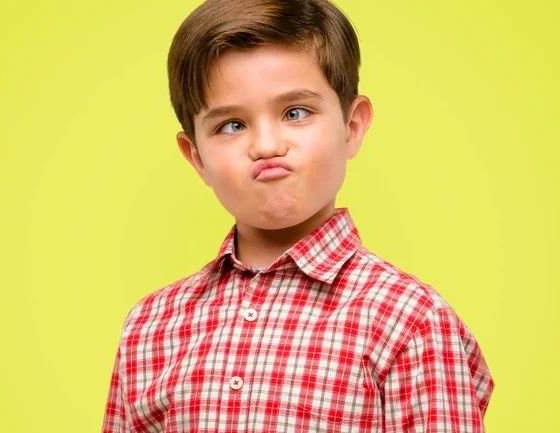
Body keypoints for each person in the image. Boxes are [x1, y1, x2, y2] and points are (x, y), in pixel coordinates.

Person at [102, 0, 494, 431]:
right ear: (196, 157)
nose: (266, 145)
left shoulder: (409, 320)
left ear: (352, 126)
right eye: (231, 125)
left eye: (295, 113)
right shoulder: (150, 327)